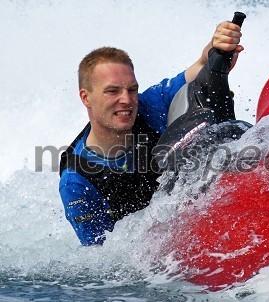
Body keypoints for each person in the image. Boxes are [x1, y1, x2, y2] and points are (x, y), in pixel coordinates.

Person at [59, 21, 244, 246]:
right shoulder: (76, 181)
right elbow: (101, 260)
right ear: (86, 97)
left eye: (132, 89)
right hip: (152, 254)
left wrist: (217, 49)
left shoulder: (148, 105)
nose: (127, 100)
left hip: (190, 206)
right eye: (112, 91)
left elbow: (200, 67)